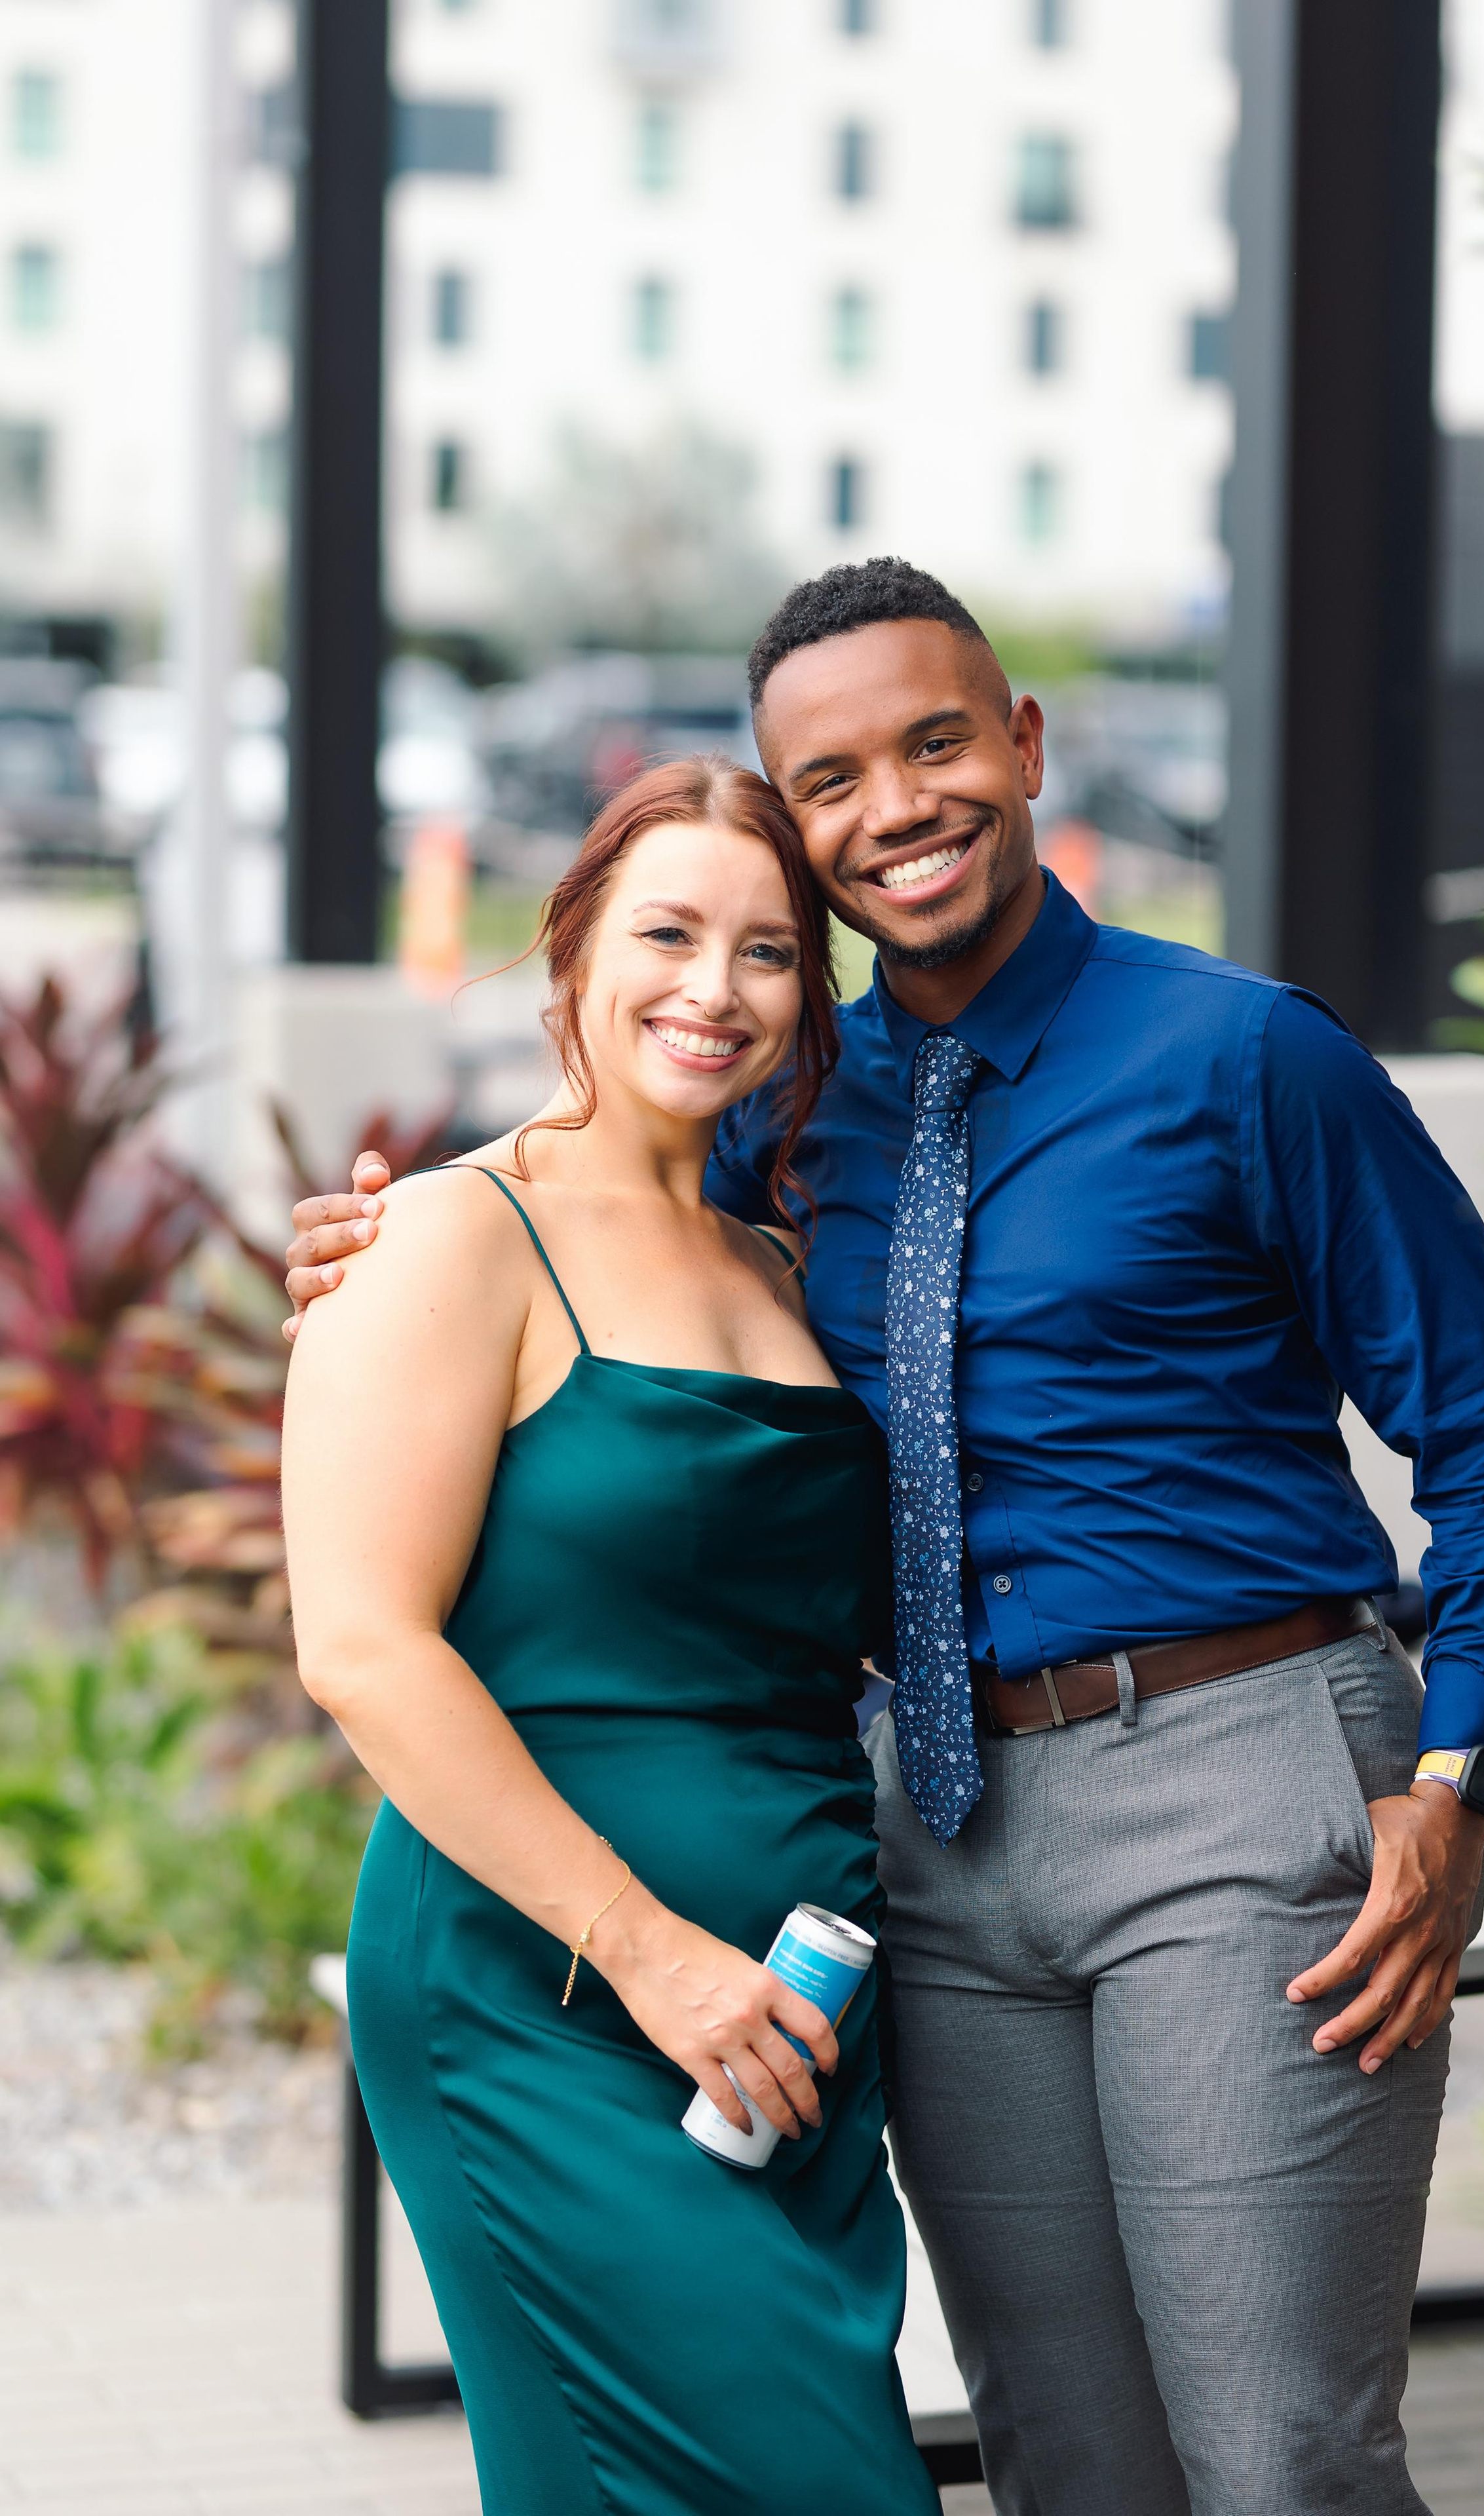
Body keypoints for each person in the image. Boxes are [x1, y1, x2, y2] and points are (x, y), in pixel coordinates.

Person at [288, 560, 1484, 2516]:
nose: (897, 805)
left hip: (1236, 1783)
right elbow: (579, 1263)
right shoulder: (787, 1124)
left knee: (1275, 2459)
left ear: (1026, 745)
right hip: (932, 1850)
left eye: (937, 743)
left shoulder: (1248, 1058)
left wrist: (1458, 1768)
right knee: (1062, 2460)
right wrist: (369, 1251)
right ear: (799, 837)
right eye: (834, 780)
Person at [280, 756, 941, 2516]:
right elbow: (361, 1647)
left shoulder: (786, 1264)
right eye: (666, 933)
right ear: (568, 948)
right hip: (547, 1995)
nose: (711, 992)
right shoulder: (441, 1238)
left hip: (790, 2008)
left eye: (769, 953)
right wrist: (650, 1957)